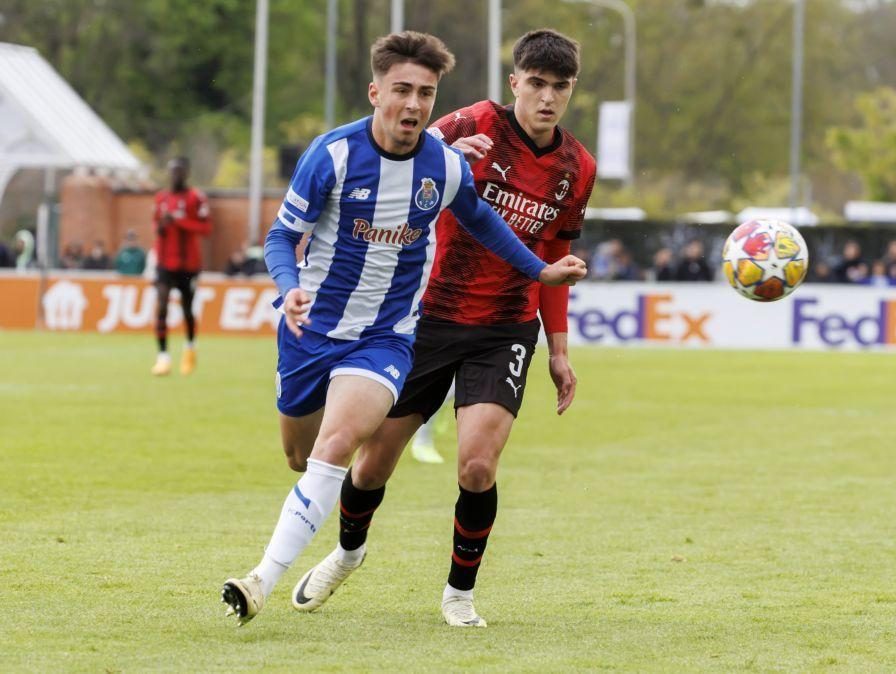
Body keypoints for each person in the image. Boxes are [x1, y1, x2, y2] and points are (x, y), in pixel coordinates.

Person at [219, 31, 586, 626]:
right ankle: (347, 551)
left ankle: (275, 579)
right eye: (403, 91)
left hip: (426, 333)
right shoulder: (353, 150)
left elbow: (495, 227)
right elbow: (284, 235)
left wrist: (547, 294)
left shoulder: (547, 167)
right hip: (367, 324)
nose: (414, 105)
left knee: (448, 461)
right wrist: (290, 291)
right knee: (330, 461)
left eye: (425, 93)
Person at [150, 156, 211, 376]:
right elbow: (157, 228)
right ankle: (163, 357)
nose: (174, 175)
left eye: (178, 171)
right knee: (162, 306)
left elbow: (206, 229)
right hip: (165, 263)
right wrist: (163, 225)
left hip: (188, 265)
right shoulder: (161, 198)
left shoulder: (196, 197)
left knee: (187, 309)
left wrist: (179, 221)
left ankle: (189, 349)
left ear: (186, 172)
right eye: (171, 171)